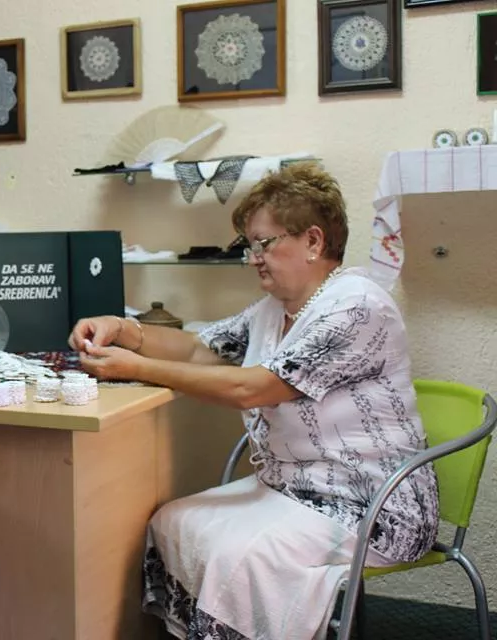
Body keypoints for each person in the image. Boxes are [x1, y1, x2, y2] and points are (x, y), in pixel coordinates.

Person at [68, 163, 439, 640]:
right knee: (171, 522)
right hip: (291, 487)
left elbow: (255, 387)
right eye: (250, 246)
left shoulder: (357, 306)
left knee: (237, 556)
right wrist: (122, 328)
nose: (253, 259)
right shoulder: (274, 310)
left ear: (313, 240)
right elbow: (199, 349)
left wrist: (135, 367)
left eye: (263, 244)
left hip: (372, 503)